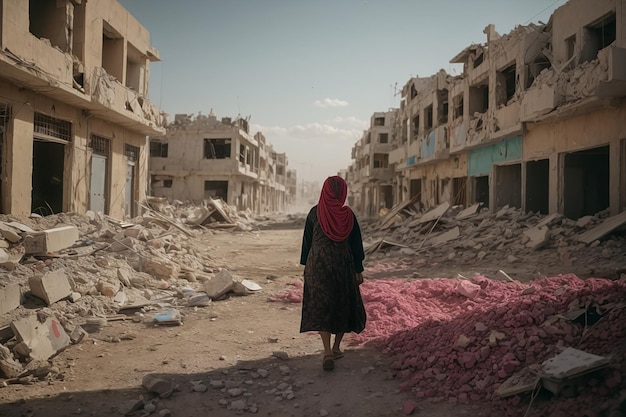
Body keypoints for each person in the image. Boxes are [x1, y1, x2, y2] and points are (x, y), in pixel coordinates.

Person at [299, 175, 367, 371]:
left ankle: (327, 350)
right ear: (343, 193)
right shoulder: (348, 215)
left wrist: (306, 266)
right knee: (343, 303)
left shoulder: (314, 213)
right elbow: (356, 246)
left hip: (318, 264)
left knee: (322, 305)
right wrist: (358, 269)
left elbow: (307, 243)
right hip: (343, 264)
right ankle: (337, 347)